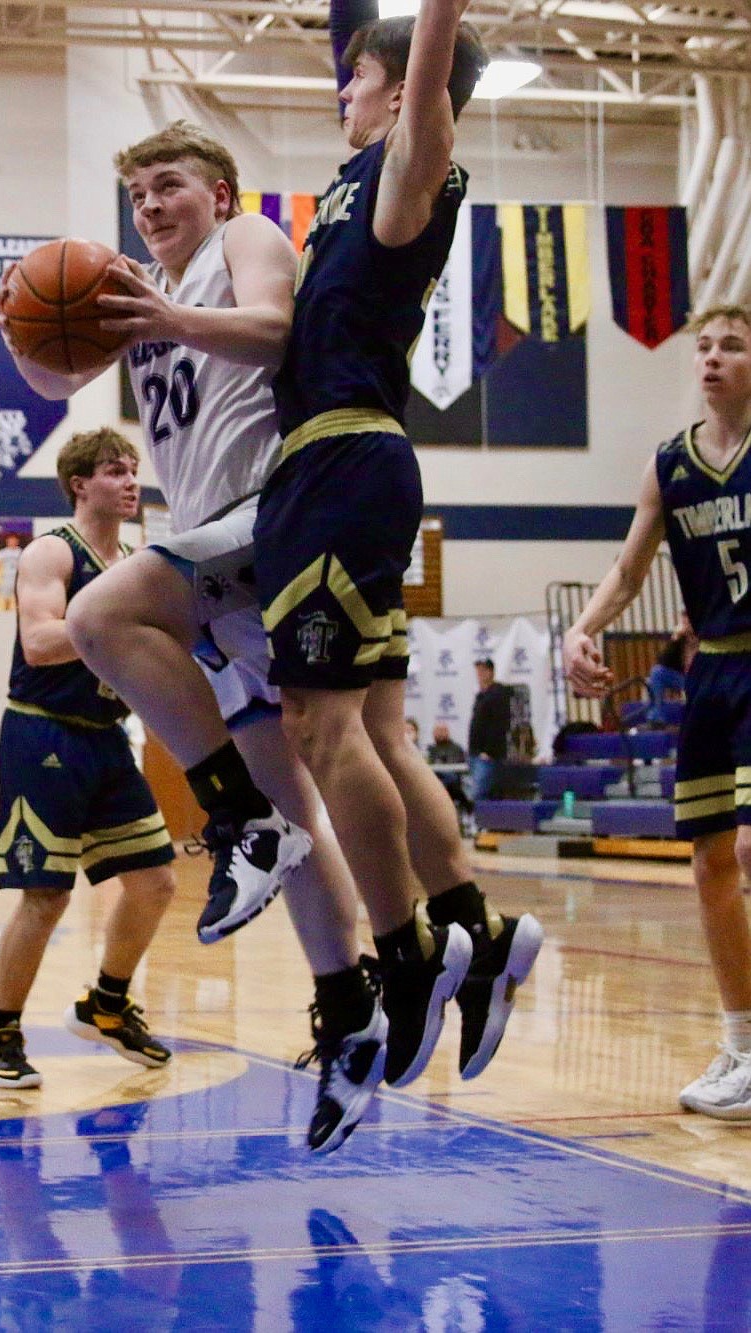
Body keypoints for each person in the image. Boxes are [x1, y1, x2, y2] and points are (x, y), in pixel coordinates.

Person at [0, 124, 383, 1153]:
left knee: (98, 613)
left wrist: (163, 312)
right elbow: (49, 382)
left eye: (169, 187)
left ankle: (240, 824)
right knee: (293, 825)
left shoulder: (244, 240)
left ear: (215, 190)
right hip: (218, 563)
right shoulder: (132, 295)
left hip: (276, 515)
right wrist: (21, 330)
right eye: (137, 197)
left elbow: (272, 329)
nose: (152, 208)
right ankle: (349, 1013)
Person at [252, 0, 543, 1089]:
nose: (340, 89)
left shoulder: (410, 167)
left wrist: (431, 24)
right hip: (339, 465)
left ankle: (406, 953)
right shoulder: (352, 173)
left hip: (339, 461)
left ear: (398, 89)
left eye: (355, 79)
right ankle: (476, 927)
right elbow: (355, 35)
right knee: (377, 728)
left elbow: (423, 79)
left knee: (316, 731)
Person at [563, 302, 751, 1120]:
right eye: (703, 346)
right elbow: (629, 570)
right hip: (710, 671)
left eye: (732, 346)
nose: (712, 357)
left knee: (749, 845)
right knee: (708, 860)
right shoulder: (668, 465)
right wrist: (582, 625)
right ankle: (740, 1045)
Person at [0, 428, 177, 1090]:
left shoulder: (141, 561)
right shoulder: (49, 552)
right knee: (46, 895)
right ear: (79, 483)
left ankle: (107, 1003)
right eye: (115, 470)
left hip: (105, 734)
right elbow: (38, 640)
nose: (129, 481)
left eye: (133, 470)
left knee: (155, 882)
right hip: (43, 733)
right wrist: (120, 628)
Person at [468, 658, 512, 801]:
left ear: (490, 672)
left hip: (488, 755)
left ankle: (482, 821)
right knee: (477, 792)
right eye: (478, 671)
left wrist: (489, 751)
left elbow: (499, 725)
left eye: (483, 670)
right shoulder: (481, 696)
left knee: (480, 793)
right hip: (476, 752)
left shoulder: (497, 694)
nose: (479, 674)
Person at [645, 609, 698, 725]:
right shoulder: (680, 640)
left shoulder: (706, 636)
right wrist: (675, 640)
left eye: (688, 618)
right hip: (683, 679)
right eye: (684, 619)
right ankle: (656, 718)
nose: (686, 622)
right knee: (657, 673)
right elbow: (663, 662)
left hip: (701, 679)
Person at [426, 721, 473, 818]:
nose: (440, 733)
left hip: (453, 784)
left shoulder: (456, 748)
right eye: (437, 731)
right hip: (434, 782)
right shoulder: (431, 750)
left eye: (442, 730)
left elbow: (458, 766)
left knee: (448, 778)